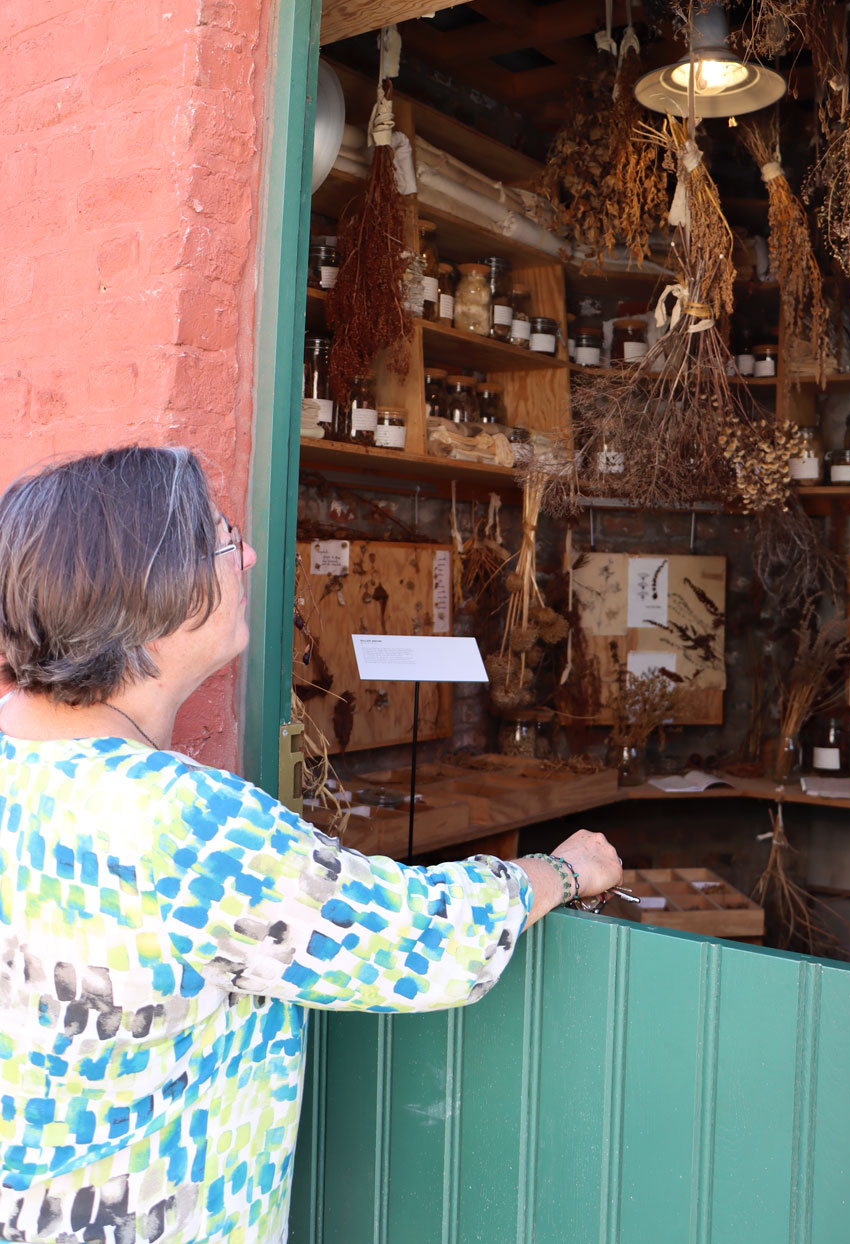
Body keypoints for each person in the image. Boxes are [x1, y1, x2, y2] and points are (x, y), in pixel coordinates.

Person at [0, 447, 622, 1244]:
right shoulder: (184, 825)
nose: (250, 554)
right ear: (156, 589)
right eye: (226, 541)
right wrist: (561, 870)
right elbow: (419, 940)